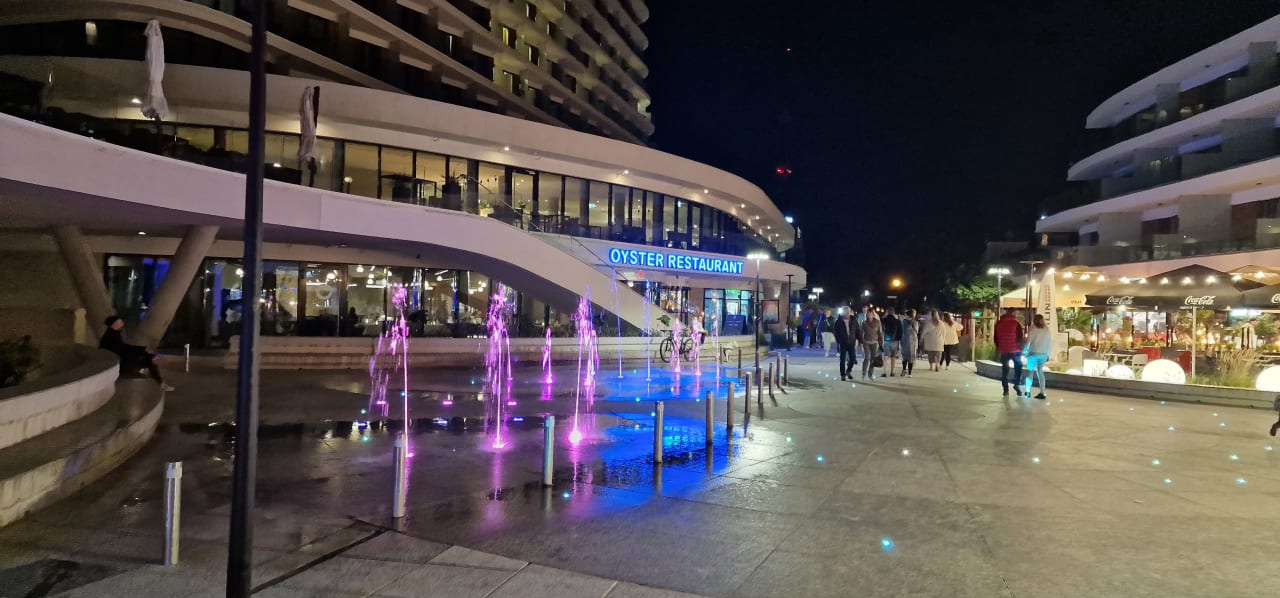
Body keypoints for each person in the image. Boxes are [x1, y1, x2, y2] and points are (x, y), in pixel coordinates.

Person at [99, 316, 175, 391]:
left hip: (121, 361)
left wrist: (143, 350)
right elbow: (123, 350)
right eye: (120, 321)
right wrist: (142, 351)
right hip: (121, 365)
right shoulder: (110, 337)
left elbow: (124, 348)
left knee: (149, 357)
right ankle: (159, 382)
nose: (122, 323)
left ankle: (157, 379)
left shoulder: (114, 333)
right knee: (149, 359)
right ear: (114, 324)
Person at [995, 308, 1026, 397]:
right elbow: (1020, 337)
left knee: (1005, 370)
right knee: (1018, 367)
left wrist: (999, 347)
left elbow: (996, 337)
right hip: (1015, 349)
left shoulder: (999, 323)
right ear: (1013, 314)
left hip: (1004, 349)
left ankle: (1005, 390)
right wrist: (1021, 348)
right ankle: (1017, 384)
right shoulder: (1016, 323)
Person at [1024, 313, 1051, 400]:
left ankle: (1028, 392)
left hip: (1033, 353)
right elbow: (1049, 343)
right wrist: (1048, 354)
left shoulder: (1032, 329)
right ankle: (1042, 392)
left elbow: (1028, 342)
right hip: (1043, 354)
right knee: (1040, 372)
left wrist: (1024, 352)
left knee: (1030, 372)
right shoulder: (1046, 330)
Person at [833, 308, 860, 380]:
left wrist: (860, 340)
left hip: (851, 342)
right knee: (842, 359)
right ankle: (843, 374)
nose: (847, 313)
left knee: (853, 358)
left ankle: (848, 371)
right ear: (843, 313)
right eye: (845, 312)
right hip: (843, 342)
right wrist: (838, 340)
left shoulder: (854, 320)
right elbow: (836, 332)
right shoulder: (839, 321)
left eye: (848, 312)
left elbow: (857, 331)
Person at [860, 309, 882, 379]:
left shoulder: (878, 322)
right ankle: (864, 373)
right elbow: (862, 333)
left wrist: (881, 342)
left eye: (871, 314)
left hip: (875, 342)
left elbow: (880, 332)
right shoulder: (864, 323)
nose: (869, 315)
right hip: (866, 342)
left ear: (873, 314)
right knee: (867, 357)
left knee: (873, 359)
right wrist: (861, 342)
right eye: (868, 314)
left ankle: (870, 374)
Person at [881, 306, 903, 376]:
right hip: (895, 341)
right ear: (894, 312)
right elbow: (901, 331)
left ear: (887, 312)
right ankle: (892, 372)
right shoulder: (897, 321)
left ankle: (884, 372)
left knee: (885, 356)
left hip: (886, 340)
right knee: (893, 357)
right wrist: (899, 339)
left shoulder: (883, 320)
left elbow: (880, 329)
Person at [901, 309, 919, 377]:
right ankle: (909, 373)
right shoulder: (915, 322)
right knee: (911, 357)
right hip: (912, 341)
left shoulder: (904, 322)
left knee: (905, 357)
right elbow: (916, 331)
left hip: (905, 341)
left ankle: (904, 370)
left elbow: (902, 331)